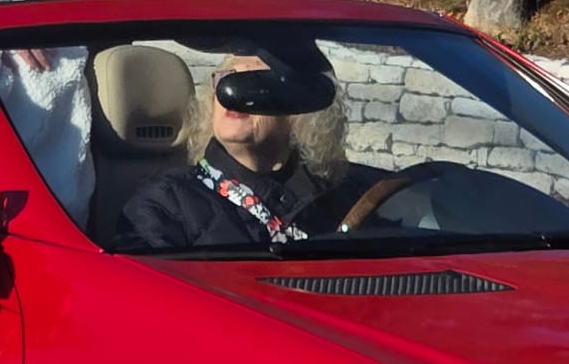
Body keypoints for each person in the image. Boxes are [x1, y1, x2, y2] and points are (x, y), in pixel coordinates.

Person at [113, 55, 386, 252]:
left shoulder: (344, 191)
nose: (233, 95)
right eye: (226, 82)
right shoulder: (166, 200)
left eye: (253, 84)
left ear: (298, 110)